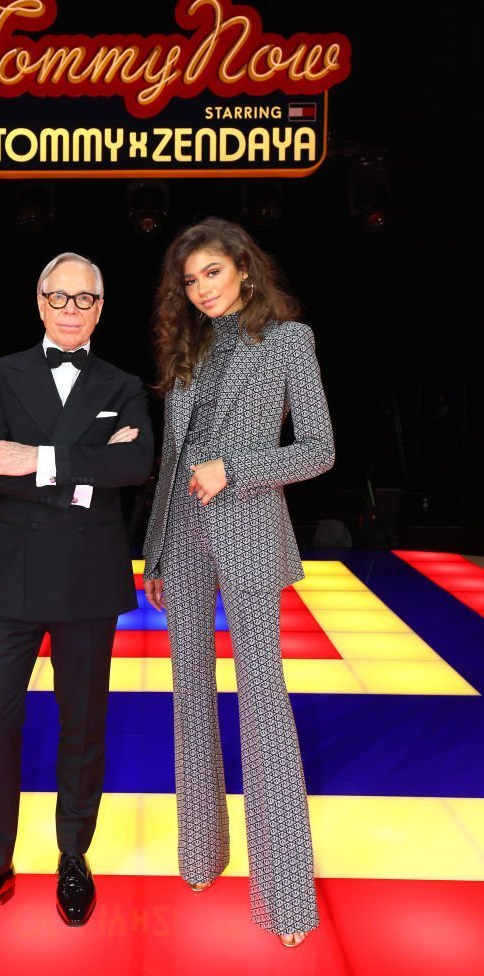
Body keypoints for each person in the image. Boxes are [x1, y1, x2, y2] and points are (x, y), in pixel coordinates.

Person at [0, 251, 153, 950]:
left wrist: (38, 457)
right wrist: (88, 461)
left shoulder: (123, 384)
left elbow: (137, 464)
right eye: (58, 297)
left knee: (83, 727)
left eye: (84, 299)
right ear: (38, 302)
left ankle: (73, 856)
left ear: (100, 307)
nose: (70, 309)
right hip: (6, 580)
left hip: (87, 580)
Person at [142, 217, 334, 949]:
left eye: (211, 274)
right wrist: (154, 551)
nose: (201, 291)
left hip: (249, 529)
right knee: (188, 695)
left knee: (263, 705)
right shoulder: (187, 348)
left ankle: (285, 899)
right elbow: (173, 459)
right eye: (189, 281)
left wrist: (237, 470)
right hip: (184, 535)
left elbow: (318, 449)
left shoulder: (289, 341)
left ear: (245, 271)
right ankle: (201, 855)